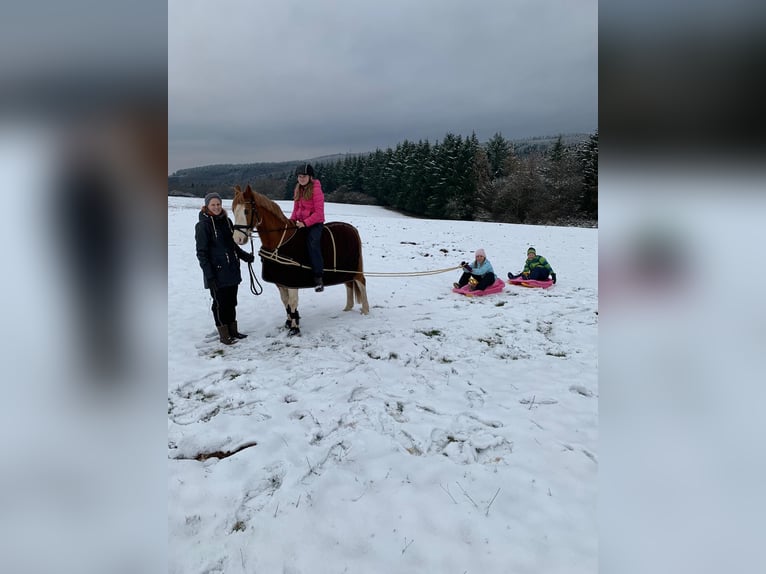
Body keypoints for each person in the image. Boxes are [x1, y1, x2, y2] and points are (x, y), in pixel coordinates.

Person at [195, 192, 255, 345]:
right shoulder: (203, 225)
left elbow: (232, 245)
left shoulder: (227, 221)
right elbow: (202, 253)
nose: (216, 207)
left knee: (231, 302)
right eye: (213, 205)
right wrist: (209, 276)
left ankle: (233, 330)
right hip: (216, 272)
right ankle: (224, 334)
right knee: (220, 304)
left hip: (231, 269)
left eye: (218, 204)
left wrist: (244, 256)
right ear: (207, 206)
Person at [289, 163, 326, 292]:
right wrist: (291, 222)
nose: (301, 178)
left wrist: (305, 223)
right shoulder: (298, 189)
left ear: (310, 177)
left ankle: (318, 277)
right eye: (299, 176)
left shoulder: (316, 189)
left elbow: (319, 213)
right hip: (300, 222)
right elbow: (296, 209)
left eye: (304, 176)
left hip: (315, 223)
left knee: (313, 243)